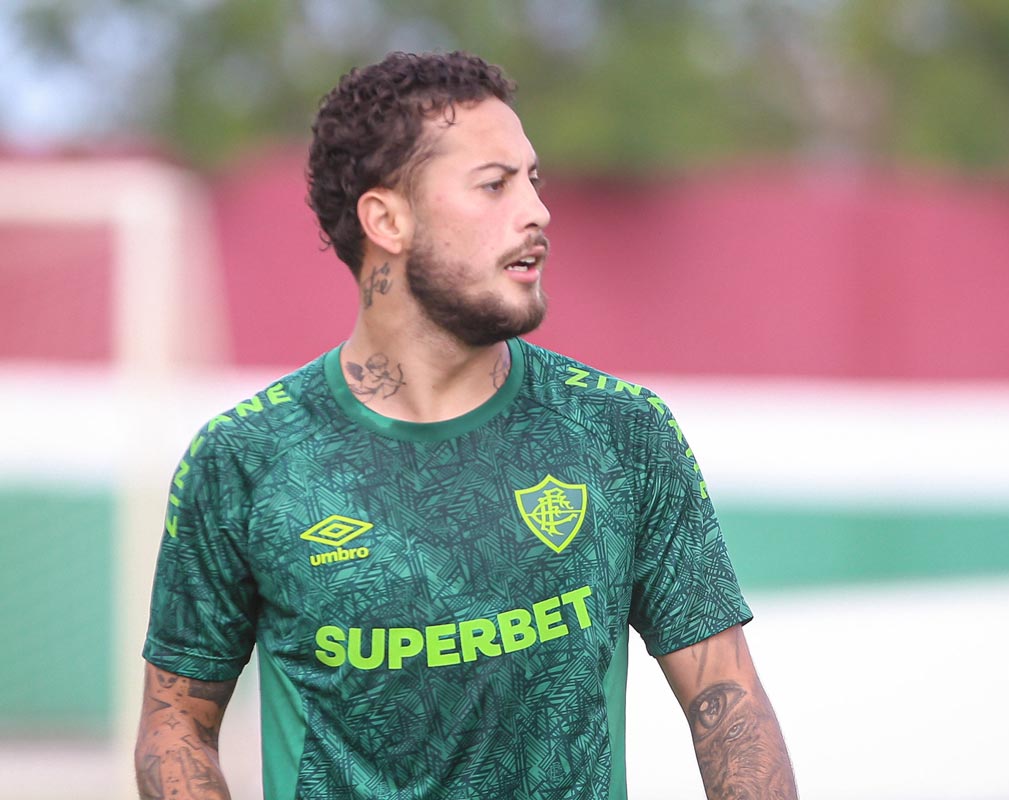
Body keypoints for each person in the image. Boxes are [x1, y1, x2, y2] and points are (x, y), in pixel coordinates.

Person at [135, 50, 797, 799]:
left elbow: (728, 706)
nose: (537, 211)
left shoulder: (621, 433)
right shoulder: (245, 461)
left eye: (534, 180)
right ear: (387, 219)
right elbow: (175, 723)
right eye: (494, 185)